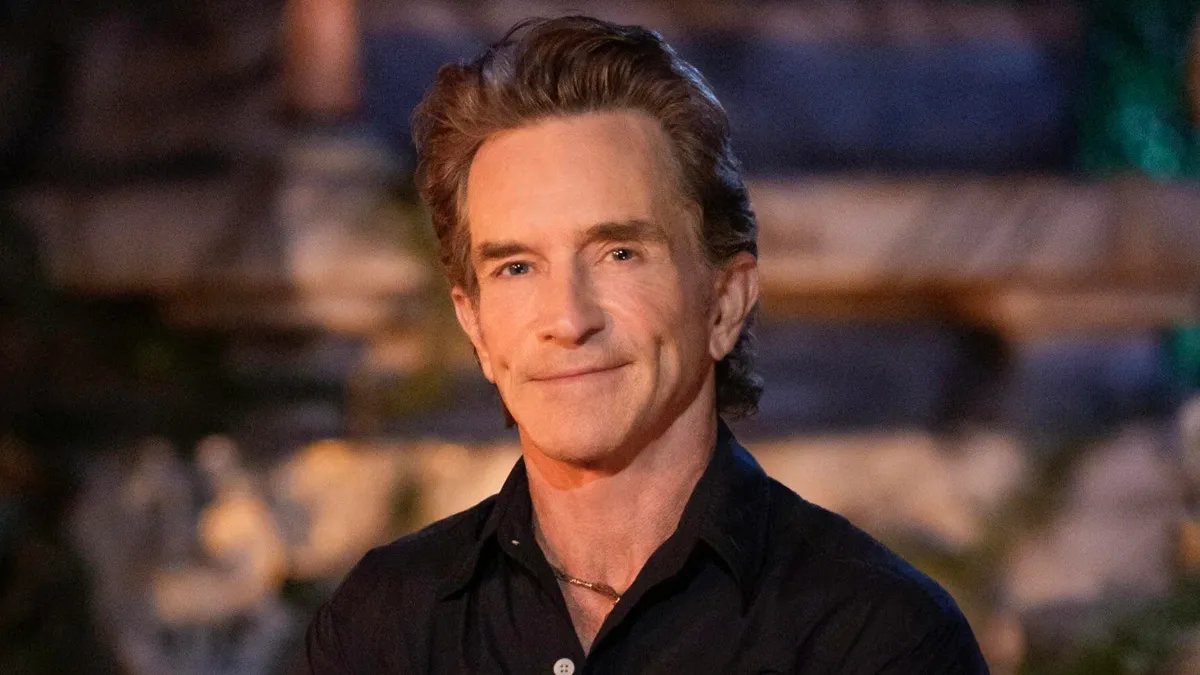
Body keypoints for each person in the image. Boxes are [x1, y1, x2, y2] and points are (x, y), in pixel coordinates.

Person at [301, 15, 988, 674]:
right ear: (475, 325)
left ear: (725, 301)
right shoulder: (382, 627)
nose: (568, 319)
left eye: (619, 254)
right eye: (516, 267)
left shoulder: (876, 638)